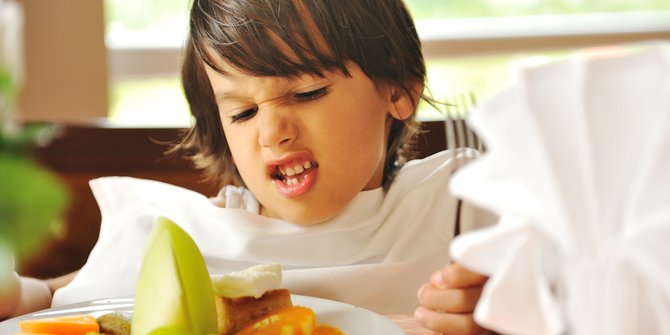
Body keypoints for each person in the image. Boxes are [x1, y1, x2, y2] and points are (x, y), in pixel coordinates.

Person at [1, 1, 494, 333]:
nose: (272, 132)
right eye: (242, 111)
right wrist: (23, 293)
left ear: (400, 90)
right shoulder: (201, 231)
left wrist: (497, 313)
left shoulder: (461, 207)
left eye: (306, 94)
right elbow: (79, 295)